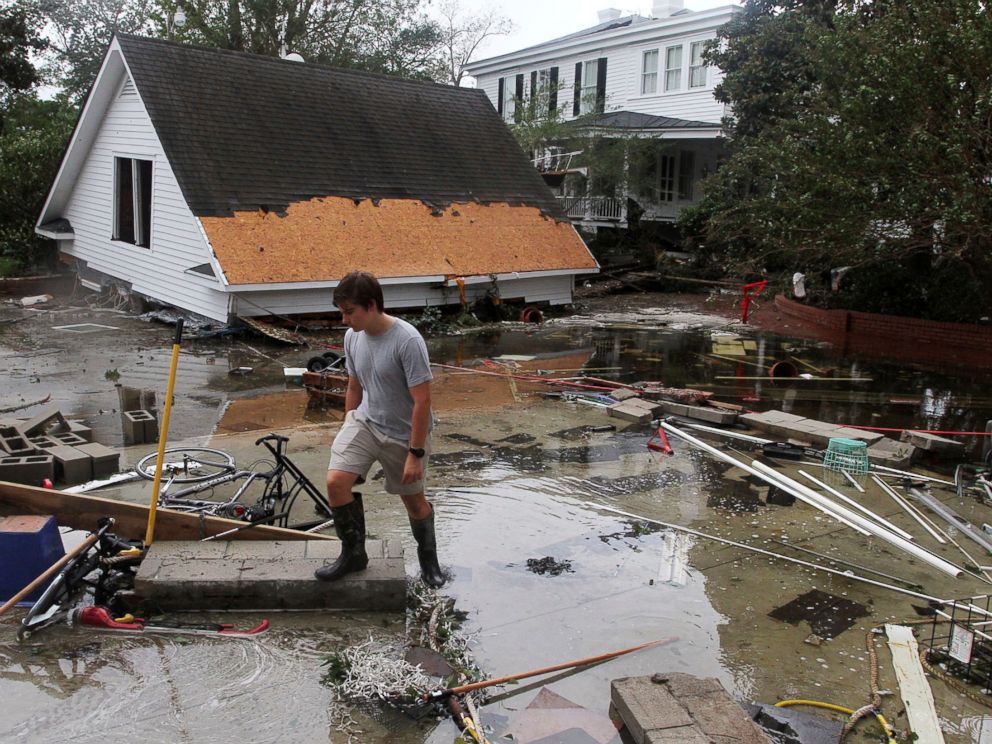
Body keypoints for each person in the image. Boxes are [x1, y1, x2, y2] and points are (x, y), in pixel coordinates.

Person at [315, 271, 445, 588]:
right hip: (367, 422)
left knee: (413, 502)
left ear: (371, 306)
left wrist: (415, 453)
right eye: (341, 312)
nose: (344, 320)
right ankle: (354, 555)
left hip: (405, 433)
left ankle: (430, 561)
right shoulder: (352, 337)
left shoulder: (408, 341)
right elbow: (355, 385)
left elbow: (422, 401)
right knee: (336, 481)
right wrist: (348, 425)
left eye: (349, 312)